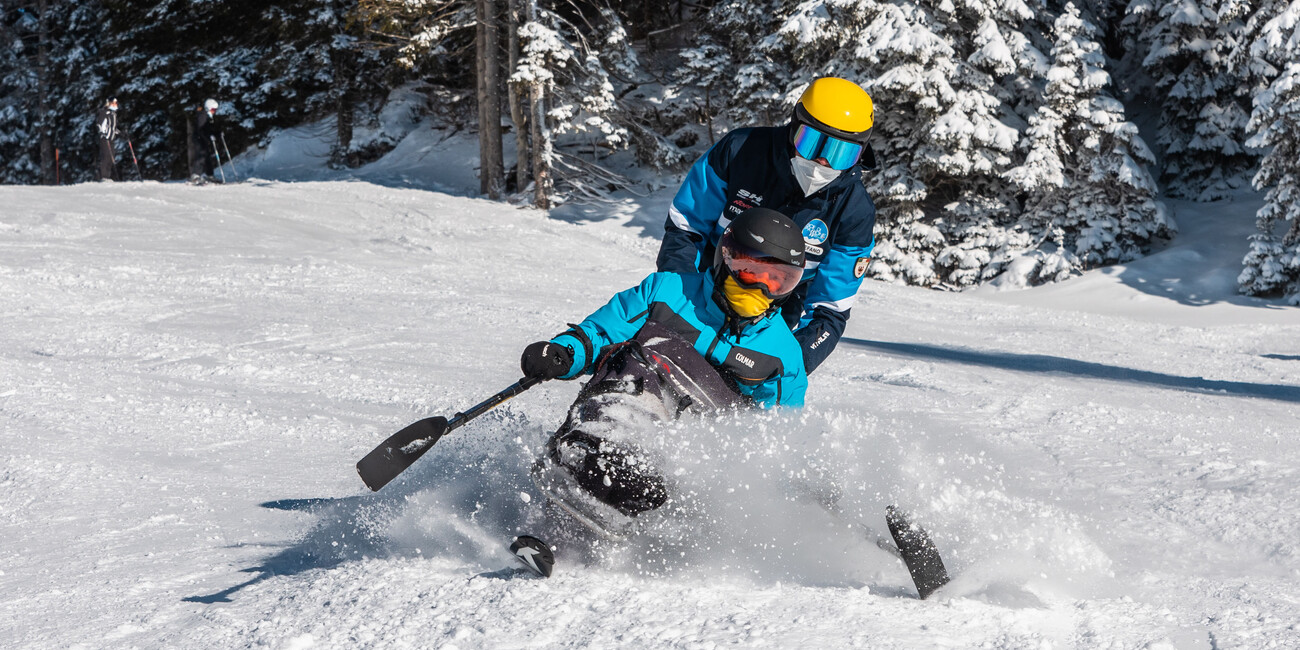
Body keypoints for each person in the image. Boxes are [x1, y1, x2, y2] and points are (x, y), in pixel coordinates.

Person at [520, 208, 808, 526]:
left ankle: (633, 481)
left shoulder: (783, 355)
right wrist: (564, 353)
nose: (762, 289)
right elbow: (602, 333)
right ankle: (592, 462)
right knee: (643, 349)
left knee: (665, 355)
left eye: (778, 281)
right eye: (752, 272)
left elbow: (778, 436)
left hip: (696, 453)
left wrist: (790, 484)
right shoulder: (668, 292)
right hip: (623, 412)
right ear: (726, 258)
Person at [657, 77, 878, 375]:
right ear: (794, 125)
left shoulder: (854, 211)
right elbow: (686, 228)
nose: (822, 162)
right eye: (811, 143)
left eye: (841, 153)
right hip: (703, 289)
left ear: (860, 155)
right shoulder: (741, 151)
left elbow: (830, 310)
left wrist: (788, 364)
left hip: (773, 316)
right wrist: (676, 298)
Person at [189, 99, 221, 183]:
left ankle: (209, 175)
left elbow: (209, 129)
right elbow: (201, 129)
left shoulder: (207, 116)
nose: (214, 111)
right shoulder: (203, 115)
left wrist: (217, 133)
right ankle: (195, 175)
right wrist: (209, 136)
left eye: (215, 110)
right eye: (213, 109)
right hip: (199, 138)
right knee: (201, 156)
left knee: (207, 157)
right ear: (208, 108)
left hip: (203, 138)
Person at [95, 98, 119, 182]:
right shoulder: (104, 113)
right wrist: (102, 133)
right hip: (105, 139)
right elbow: (99, 125)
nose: (114, 105)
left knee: (111, 157)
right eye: (113, 103)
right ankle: (103, 176)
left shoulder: (113, 114)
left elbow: (113, 128)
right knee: (106, 156)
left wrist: (122, 133)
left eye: (115, 103)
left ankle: (107, 176)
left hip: (111, 139)